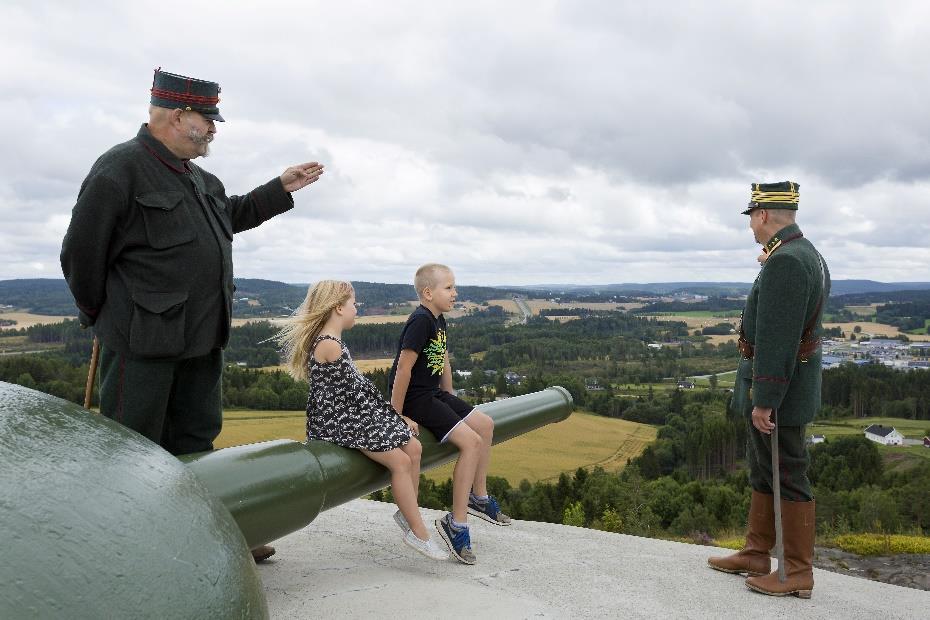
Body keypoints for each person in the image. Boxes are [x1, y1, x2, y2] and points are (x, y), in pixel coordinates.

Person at [60, 69, 324, 563]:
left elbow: (232, 215)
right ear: (178, 116)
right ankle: (128, 553)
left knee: (197, 444)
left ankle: (208, 539)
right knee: (132, 450)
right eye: (208, 119)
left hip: (203, 339)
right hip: (141, 345)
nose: (214, 129)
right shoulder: (118, 169)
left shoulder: (203, 180)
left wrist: (279, 187)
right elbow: (80, 254)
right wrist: (105, 316)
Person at [707, 182, 830, 598]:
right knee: (765, 468)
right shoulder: (801, 253)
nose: (752, 230)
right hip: (787, 384)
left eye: (752, 220)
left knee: (788, 472)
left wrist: (765, 400)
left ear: (762, 215)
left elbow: (779, 338)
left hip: (781, 391)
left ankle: (797, 572)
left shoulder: (787, 262)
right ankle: (757, 553)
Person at [275, 280, 448, 561]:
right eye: (354, 304)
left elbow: (359, 394)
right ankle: (419, 532)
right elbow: (357, 394)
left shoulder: (332, 342)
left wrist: (395, 417)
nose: (357, 309)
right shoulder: (329, 346)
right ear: (338, 308)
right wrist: (393, 417)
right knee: (401, 461)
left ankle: (408, 514)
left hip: (351, 414)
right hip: (337, 421)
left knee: (414, 448)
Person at [389, 263, 510, 565]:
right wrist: (396, 413)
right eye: (449, 288)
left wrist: (450, 395)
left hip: (434, 394)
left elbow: (442, 358)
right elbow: (403, 368)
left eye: (455, 287)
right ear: (428, 293)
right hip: (417, 399)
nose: (456, 293)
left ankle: (478, 498)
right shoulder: (420, 321)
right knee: (470, 443)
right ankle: (456, 524)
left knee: (484, 424)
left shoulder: (438, 318)